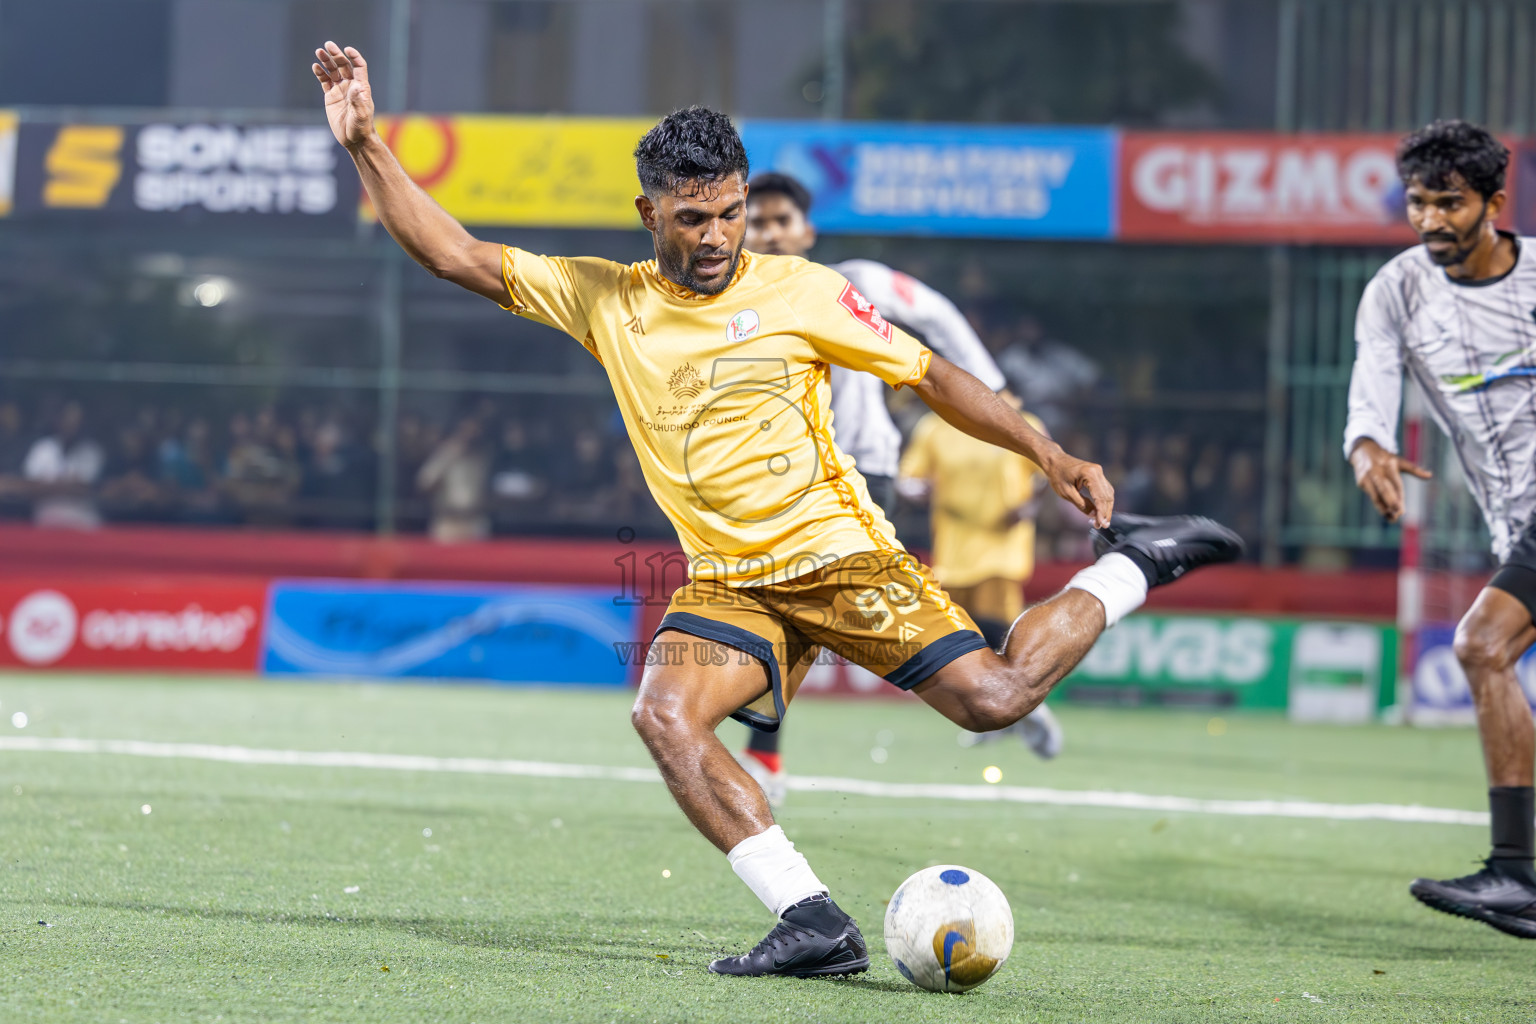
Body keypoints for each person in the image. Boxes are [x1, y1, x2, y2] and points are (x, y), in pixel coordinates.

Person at [313, 40, 1242, 977]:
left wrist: (1046, 450)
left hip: (840, 557)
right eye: (693, 218)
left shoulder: (803, 290)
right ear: (649, 213)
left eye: (730, 214)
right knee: (665, 716)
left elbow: (930, 374)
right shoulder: (604, 298)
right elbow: (453, 254)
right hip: (728, 580)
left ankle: (1136, 565)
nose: (717, 236)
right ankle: (811, 920)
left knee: (994, 700)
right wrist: (365, 146)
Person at [740, 173, 1060, 803]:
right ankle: (1007, 686)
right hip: (784, 480)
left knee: (798, 609)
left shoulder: (853, 279)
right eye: (758, 221)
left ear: (806, 230)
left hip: (860, 469)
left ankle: (766, 759)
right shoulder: (734, 301)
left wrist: (991, 383)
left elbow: (936, 310)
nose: (770, 231)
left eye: (782, 220)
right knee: (831, 612)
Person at [1344, 119, 1536, 940]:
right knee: (1489, 651)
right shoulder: (1399, 288)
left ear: (1495, 203)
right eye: (1419, 204)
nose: (1430, 222)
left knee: (1481, 643)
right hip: (1513, 523)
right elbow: (1371, 377)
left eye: (1450, 204)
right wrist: (1368, 446)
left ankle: (1516, 874)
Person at [899, 397, 1060, 756]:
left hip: (1000, 546)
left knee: (1002, 634)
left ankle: (1033, 707)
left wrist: (1029, 506)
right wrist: (915, 490)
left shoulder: (1017, 420)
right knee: (967, 640)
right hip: (953, 551)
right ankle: (994, 715)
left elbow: (1046, 472)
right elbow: (908, 477)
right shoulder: (936, 425)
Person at [23, 400, 105, 529]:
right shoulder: (42, 448)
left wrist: (50, 485)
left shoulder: (92, 452)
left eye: (76, 420)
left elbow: (87, 489)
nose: (72, 425)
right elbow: (31, 488)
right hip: (45, 522)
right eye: (68, 419)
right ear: (59, 420)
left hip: (83, 523)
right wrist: (69, 485)